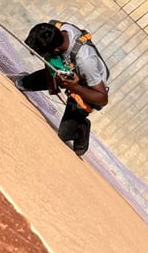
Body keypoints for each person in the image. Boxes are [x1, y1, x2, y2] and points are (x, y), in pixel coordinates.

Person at [14, 21, 109, 156]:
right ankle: (29, 81)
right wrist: (54, 82)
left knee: (64, 134)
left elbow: (102, 98)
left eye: (42, 54)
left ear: (56, 50)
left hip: (86, 87)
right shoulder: (56, 29)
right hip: (66, 70)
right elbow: (51, 60)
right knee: (22, 83)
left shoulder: (85, 61)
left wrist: (75, 87)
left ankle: (82, 128)